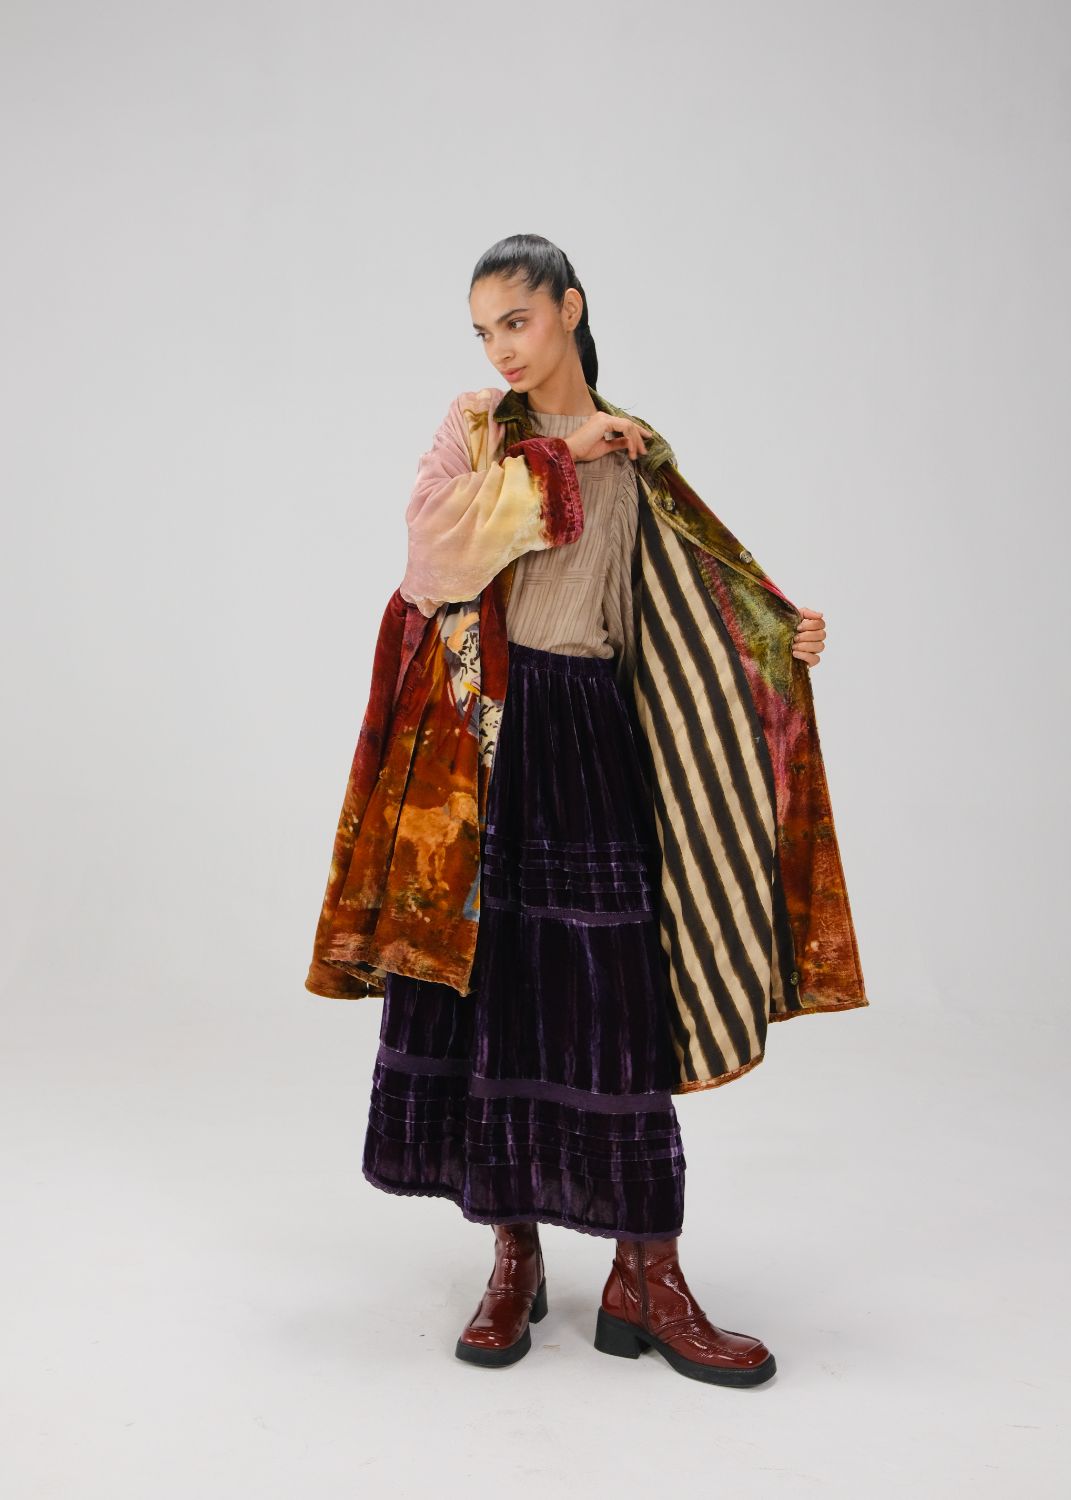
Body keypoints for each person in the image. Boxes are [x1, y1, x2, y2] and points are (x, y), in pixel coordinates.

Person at [310, 233, 847, 1387]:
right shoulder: (478, 429)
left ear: (569, 308)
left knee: (613, 999)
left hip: (590, 730)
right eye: (483, 331)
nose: (501, 349)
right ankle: (514, 1257)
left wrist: (778, 638)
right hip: (485, 744)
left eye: (516, 321)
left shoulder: (635, 450)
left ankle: (647, 1274)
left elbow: (692, 594)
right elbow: (429, 549)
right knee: (495, 991)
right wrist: (556, 452)